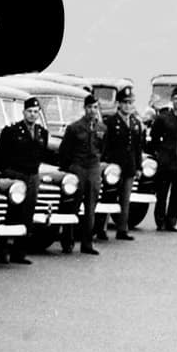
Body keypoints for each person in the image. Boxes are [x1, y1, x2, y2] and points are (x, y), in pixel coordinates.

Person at [0, 97, 49, 263]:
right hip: (15, 176)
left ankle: (20, 252)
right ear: (24, 112)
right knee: (10, 213)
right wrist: (9, 173)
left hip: (32, 177)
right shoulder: (12, 131)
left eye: (36, 112)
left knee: (27, 214)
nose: (32, 115)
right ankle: (2, 251)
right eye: (30, 111)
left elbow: (42, 154)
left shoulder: (41, 133)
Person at [54, 91, 105, 256]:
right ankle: (67, 240)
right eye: (90, 107)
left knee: (91, 207)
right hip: (78, 168)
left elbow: (103, 148)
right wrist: (69, 169)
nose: (92, 110)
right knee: (72, 205)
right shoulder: (74, 128)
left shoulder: (102, 128)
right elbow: (64, 152)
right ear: (85, 108)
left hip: (93, 168)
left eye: (95, 107)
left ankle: (87, 243)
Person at [102, 87, 146, 241]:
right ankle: (102, 228)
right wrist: (106, 164)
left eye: (130, 102)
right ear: (119, 104)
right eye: (125, 103)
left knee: (125, 199)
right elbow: (106, 146)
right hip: (114, 167)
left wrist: (139, 166)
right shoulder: (112, 122)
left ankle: (122, 229)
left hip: (129, 167)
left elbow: (138, 147)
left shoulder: (135, 122)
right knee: (108, 197)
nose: (128, 106)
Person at [150, 87, 177, 230]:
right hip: (166, 161)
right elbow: (154, 137)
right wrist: (160, 152)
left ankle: (172, 221)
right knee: (162, 193)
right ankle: (160, 221)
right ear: (171, 100)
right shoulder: (163, 118)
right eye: (175, 99)